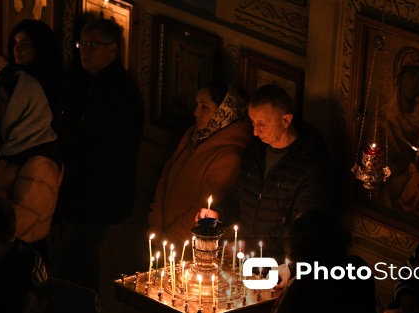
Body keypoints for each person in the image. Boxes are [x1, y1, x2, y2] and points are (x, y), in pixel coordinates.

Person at [51, 18, 144, 292]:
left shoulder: (121, 94)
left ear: (112, 50)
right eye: (82, 43)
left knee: (70, 265)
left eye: (92, 45)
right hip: (71, 192)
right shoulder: (81, 80)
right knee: (77, 264)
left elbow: (111, 152)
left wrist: (68, 169)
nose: (84, 50)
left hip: (95, 198)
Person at [198, 83, 332, 267]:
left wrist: (248, 245)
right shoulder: (255, 151)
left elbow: (300, 231)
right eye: (252, 122)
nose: (255, 131)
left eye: (262, 124)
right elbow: (239, 196)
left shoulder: (311, 167)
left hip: (278, 267)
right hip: (244, 263)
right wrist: (218, 213)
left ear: (286, 120)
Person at [148, 82, 253, 246]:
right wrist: (156, 223)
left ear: (223, 112)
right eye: (196, 105)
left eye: (204, 107)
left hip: (184, 244)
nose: (196, 112)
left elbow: (203, 208)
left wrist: (171, 239)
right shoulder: (194, 135)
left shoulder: (229, 156)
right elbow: (166, 176)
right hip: (162, 235)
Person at [0, 70, 63, 264]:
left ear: (22, 107)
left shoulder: (40, 161)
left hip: (17, 254)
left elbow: (20, 218)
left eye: (5, 102)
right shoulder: (7, 143)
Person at [374, 46, 419, 211]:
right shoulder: (383, 117)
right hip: (387, 187)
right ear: (399, 77)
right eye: (411, 75)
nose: (415, 83)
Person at [0, 18, 65, 127]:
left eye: (25, 44)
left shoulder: (53, 79)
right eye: (15, 43)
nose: (17, 49)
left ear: (40, 46)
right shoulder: (9, 72)